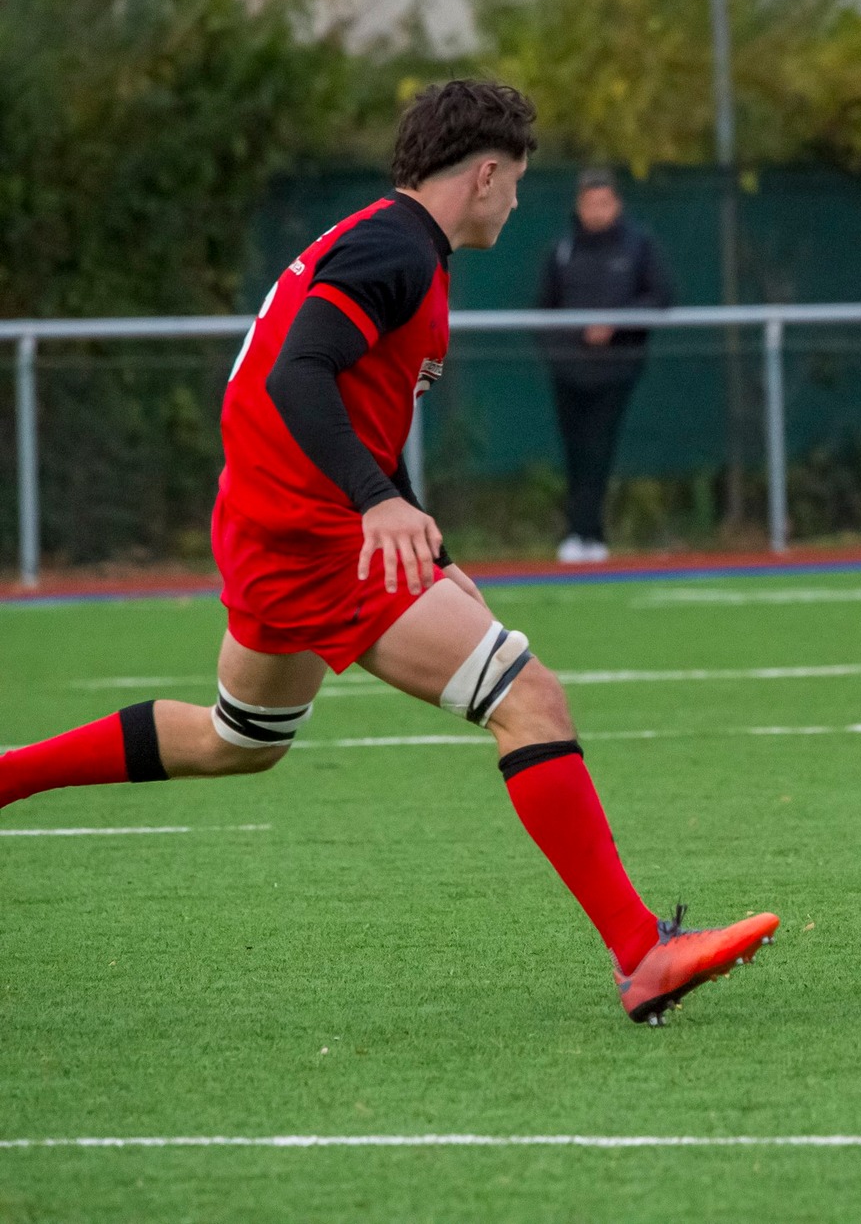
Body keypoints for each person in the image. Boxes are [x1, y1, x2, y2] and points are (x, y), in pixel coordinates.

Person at [0, 81, 775, 1024]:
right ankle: (641, 950)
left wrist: (416, 525)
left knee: (239, 739)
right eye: (518, 182)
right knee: (529, 697)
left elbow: (348, 404)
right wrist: (373, 505)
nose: (520, 202)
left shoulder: (390, 240)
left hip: (270, 521)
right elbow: (301, 370)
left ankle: (7, 776)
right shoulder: (396, 250)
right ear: (485, 173)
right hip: (316, 533)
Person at [538, 167, 671, 564]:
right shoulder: (562, 249)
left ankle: (589, 532)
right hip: (569, 370)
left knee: (599, 447)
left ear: (617, 204)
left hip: (616, 369)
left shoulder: (638, 246)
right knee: (575, 449)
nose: (596, 211)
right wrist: (567, 343)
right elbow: (542, 310)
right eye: (589, 203)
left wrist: (616, 323)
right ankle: (580, 533)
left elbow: (661, 296)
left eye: (604, 203)